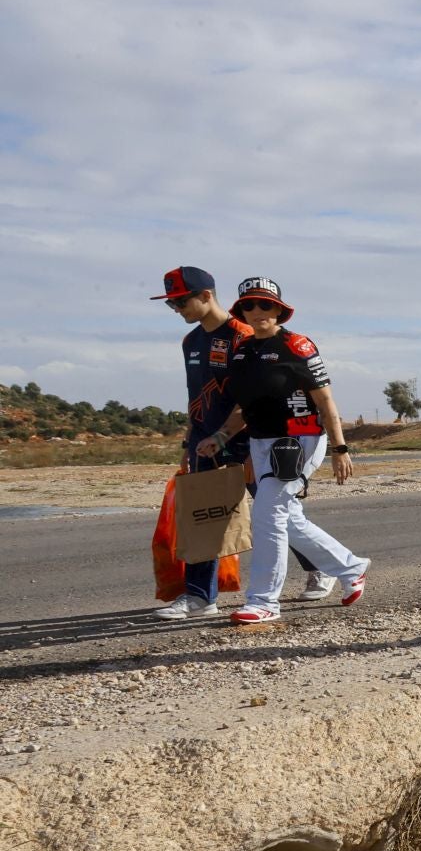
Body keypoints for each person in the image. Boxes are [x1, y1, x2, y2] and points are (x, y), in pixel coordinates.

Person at [151, 268, 326, 618]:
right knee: (203, 515)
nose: (176, 309)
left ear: (205, 296)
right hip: (205, 440)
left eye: (180, 301)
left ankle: (320, 566)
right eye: (171, 304)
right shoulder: (190, 341)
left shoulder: (243, 335)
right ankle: (201, 597)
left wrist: (242, 440)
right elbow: (195, 395)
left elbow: (258, 395)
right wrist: (190, 439)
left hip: (251, 439)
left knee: (277, 513)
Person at [194, 277, 369, 625]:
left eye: (265, 305)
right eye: (249, 305)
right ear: (241, 310)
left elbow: (325, 401)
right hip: (261, 443)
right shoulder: (242, 353)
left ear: (279, 310)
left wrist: (340, 448)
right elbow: (245, 408)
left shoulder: (298, 346)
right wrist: (222, 436)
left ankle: (264, 601)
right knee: (288, 517)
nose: (257, 311)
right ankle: (351, 567)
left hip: (299, 441)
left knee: (267, 514)